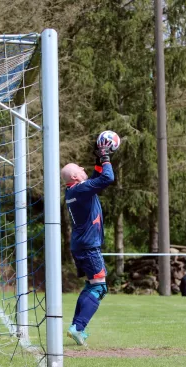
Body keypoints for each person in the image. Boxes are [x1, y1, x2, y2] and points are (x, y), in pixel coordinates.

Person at [61, 139, 115, 346]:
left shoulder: (74, 190)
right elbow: (107, 178)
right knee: (99, 287)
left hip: (81, 245)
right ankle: (78, 327)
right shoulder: (81, 189)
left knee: (91, 286)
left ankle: (77, 328)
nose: (83, 169)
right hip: (89, 247)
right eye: (79, 168)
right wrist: (105, 157)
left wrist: (98, 158)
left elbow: (96, 177)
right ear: (75, 176)